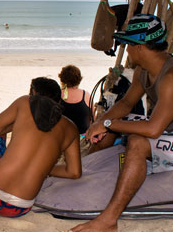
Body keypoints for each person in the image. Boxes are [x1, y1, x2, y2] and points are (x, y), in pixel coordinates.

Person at [70, 14, 173, 232]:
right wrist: (101, 122)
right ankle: (83, 174)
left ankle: (109, 220)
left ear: (140, 47)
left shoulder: (170, 78)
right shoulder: (143, 72)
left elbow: (153, 130)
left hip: (164, 131)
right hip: (166, 129)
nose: (125, 49)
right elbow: (126, 104)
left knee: (137, 141)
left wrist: (108, 124)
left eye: (127, 44)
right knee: (110, 125)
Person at [0, 77, 81, 218]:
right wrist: (43, 168)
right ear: (59, 100)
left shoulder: (25, 102)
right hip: (18, 207)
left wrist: (18, 124)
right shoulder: (71, 128)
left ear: (33, 92)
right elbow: (74, 172)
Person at [58, 65, 92, 134]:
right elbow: (93, 117)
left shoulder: (58, 94)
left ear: (62, 79)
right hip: (82, 138)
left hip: (62, 136)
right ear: (79, 79)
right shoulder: (86, 95)